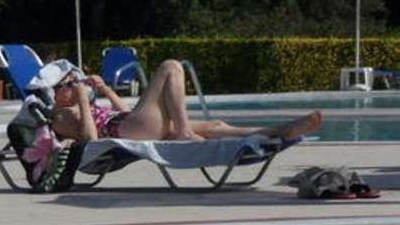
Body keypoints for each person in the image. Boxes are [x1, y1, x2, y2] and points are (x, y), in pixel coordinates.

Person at [49, 59, 320, 144]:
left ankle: (279, 131)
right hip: (127, 131)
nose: (76, 85)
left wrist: (106, 91)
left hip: (132, 123)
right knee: (170, 67)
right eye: (69, 83)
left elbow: (124, 113)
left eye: (75, 80)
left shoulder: (81, 105)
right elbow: (91, 139)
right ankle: (183, 131)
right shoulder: (59, 115)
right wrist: (83, 100)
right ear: (56, 92)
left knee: (216, 126)